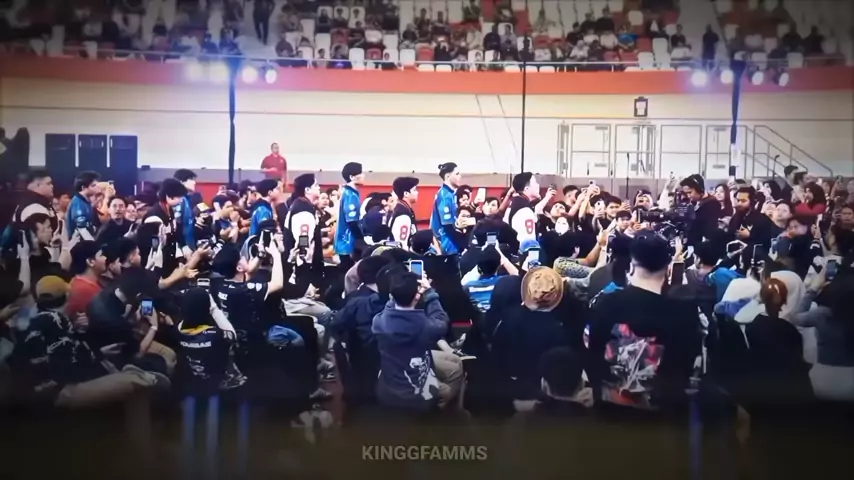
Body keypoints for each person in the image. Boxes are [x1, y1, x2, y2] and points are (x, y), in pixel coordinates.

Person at [12, 276, 167, 408]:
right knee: (133, 382)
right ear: (67, 296)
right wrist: (97, 358)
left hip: (44, 390)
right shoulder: (55, 322)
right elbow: (67, 367)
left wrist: (97, 351)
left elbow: (65, 353)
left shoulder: (39, 318)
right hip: (57, 393)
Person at [587, 235, 702, 412]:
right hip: (665, 417)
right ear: (668, 269)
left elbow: (591, 351)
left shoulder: (605, 304)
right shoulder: (687, 313)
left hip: (610, 411)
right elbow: (691, 365)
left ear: (631, 267)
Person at [372, 271, 463, 411]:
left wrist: (401, 291)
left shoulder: (378, 321)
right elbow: (441, 320)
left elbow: (390, 307)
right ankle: (439, 411)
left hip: (391, 378)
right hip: (419, 391)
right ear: (416, 296)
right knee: (450, 384)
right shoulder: (426, 326)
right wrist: (429, 292)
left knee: (454, 361)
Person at [177, 287, 246, 395]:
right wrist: (213, 307)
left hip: (196, 380)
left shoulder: (177, 331)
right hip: (219, 381)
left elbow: (187, 315)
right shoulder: (217, 335)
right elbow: (232, 334)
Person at [729, 186, 776, 266]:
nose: (739, 204)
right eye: (738, 200)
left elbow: (766, 242)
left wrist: (750, 235)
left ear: (752, 201)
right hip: (734, 257)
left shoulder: (762, 219)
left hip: (754, 260)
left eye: (743, 201)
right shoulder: (735, 217)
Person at [463, 245, 518, 312]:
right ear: (499, 266)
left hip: (477, 318)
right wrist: (504, 260)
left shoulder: (468, 287)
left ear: (478, 267)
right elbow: (520, 278)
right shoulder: (504, 283)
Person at [335, 162, 365, 270]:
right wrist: (361, 240)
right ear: (352, 177)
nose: (363, 175)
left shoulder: (351, 193)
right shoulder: (350, 195)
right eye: (360, 173)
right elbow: (352, 221)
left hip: (346, 243)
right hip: (347, 244)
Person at [66, 240, 107, 320]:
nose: (105, 258)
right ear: (90, 261)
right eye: (101, 255)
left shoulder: (79, 281)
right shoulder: (85, 290)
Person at [431, 163, 464, 257]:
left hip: (450, 242)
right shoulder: (445, 196)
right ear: (448, 176)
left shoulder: (451, 194)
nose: (460, 177)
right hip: (447, 244)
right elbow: (447, 226)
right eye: (457, 174)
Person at [680, 174, 721, 246]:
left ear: (699, 189)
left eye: (690, 192)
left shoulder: (712, 203)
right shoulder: (693, 202)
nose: (688, 196)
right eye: (686, 193)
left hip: (702, 245)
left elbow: (709, 230)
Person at [504, 172, 542, 246]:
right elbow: (529, 243)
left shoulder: (514, 203)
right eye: (535, 183)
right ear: (526, 188)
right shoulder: (525, 210)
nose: (538, 185)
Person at [67, 170, 102, 240]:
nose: (97, 187)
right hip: (79, 243)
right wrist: (93, 244)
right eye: (93, 185)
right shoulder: (78, 203)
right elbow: (82, 229)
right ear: (83, 188)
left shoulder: (86, 202)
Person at [389, 176, 419, 248]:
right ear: (406, 193)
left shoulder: (404, 209)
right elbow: (401, 244)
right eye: (414, 190)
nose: (417, 192)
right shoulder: (403, 215)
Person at [173, 169, 198, 251]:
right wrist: (183, 246)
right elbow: (176, 226)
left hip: (190, 246)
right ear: (181, 182)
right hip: (182, 249)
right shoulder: (179, 200)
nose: (194, 182)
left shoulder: (187, 199)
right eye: (191, 179)